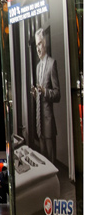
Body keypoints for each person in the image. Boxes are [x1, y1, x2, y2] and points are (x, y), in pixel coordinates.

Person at [32, 27, 60, 164]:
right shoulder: (37, 67)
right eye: (36, 44)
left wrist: (44, 91)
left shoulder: (52, 64)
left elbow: (57, 94)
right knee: (44, 161)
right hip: (39, 124)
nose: (37, 48)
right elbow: (40, 93)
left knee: (52, 162)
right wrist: (36, 94)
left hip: (48, 123)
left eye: (40, 44)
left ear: (45, 43)